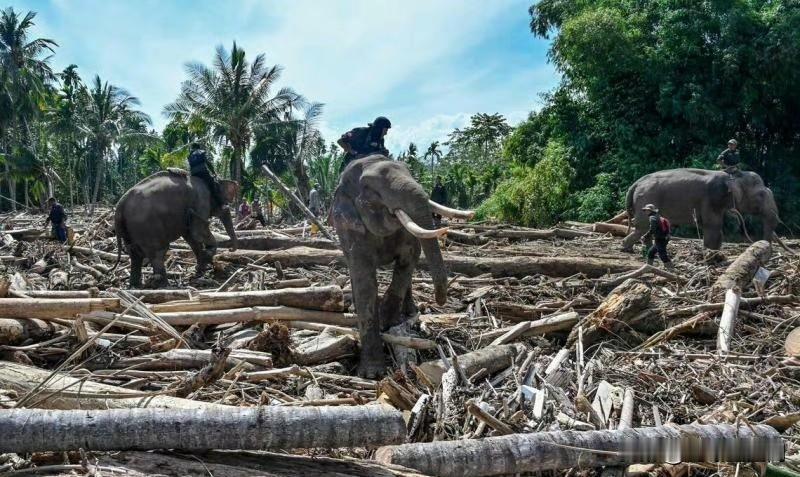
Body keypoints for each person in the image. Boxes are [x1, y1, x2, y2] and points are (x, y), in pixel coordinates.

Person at [640, 204, 673, 268]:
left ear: (650, 211)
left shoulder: (652, 218)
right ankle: (648, 267)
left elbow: (652, 229)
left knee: (662, 255)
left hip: (660, 239)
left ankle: (671, 269)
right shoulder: (658, 216)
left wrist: (645, 236)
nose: (645, 212)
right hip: (664, 238)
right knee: (651, 252)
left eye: (646, 210)